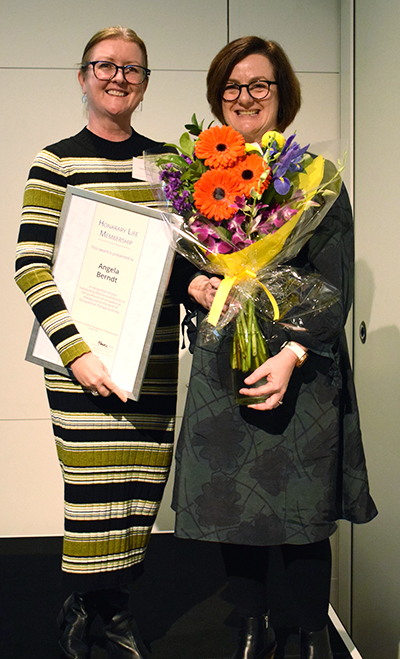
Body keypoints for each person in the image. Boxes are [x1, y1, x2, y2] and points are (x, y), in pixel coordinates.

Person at [172, 36, 378, 659]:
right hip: (227, 356)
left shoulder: (316, 178)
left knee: (302, 508)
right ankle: (254, 624)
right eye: (233, 87)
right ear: (218, 96)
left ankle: (309, 628)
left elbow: (332, 281)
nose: (245, 97)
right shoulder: (198, 174)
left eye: (259, 84)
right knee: (235, 502)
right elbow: (186, 267)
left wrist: (288, 355)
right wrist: (194, 283)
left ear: (282, 93)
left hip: (302, 363)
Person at [15, 26, 192, 659]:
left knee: (142, 489)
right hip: (80, 362)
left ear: (145, 84)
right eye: (106, 66)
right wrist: (78, 354)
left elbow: (188, 259)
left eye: (132, 70)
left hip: (152, 360)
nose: (119, 78)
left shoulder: (174, 163)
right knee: (92, 492)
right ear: (83, 75)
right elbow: (30, 263)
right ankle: (90, 604)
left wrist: (200, 286)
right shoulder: (55, 160)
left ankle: (114, 607)